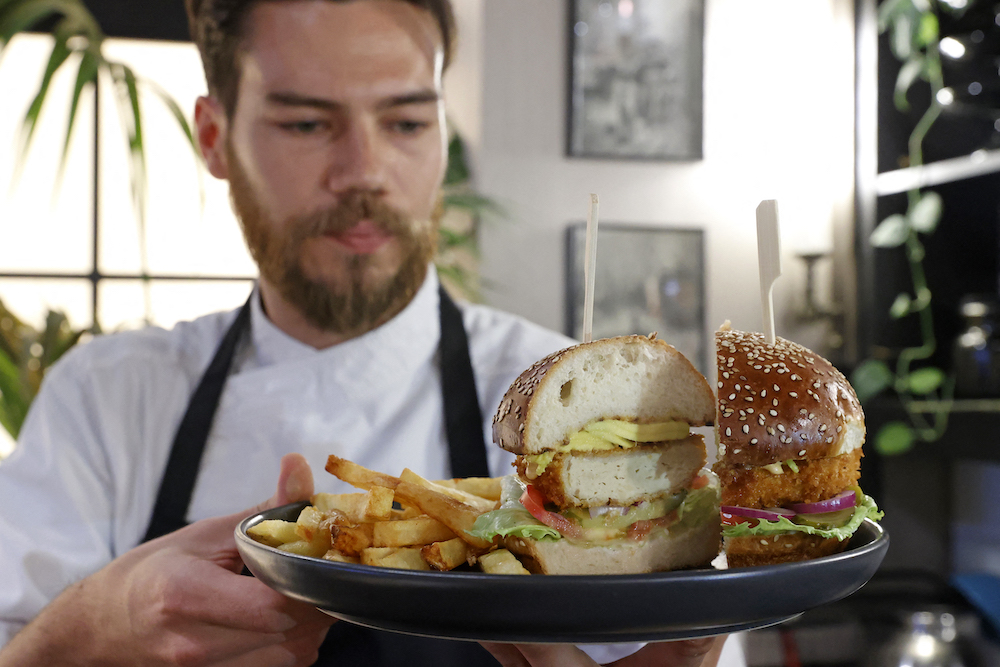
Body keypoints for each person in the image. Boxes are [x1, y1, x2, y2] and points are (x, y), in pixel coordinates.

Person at [0, 1, 745, 665]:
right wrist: (94, 625)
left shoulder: (554, 400)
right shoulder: (104, 399)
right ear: (215, 136)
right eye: (306, 123)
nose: (366, 171)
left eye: (407, 122)